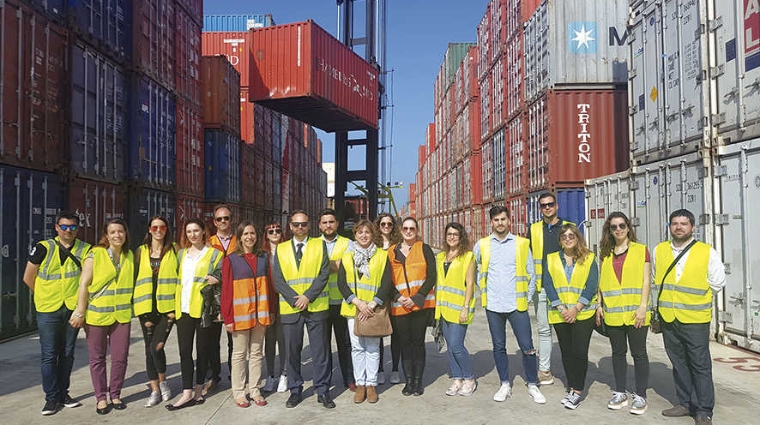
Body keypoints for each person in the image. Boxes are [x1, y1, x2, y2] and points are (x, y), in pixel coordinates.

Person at [656, 209, 725, 425]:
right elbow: (658, 279)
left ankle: (704, 410)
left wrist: (696, 300)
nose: (679, 227)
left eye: (683, 223)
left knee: (700, 365)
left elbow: (717, 282)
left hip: (695, 319)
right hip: (669, 317)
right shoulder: (660, 250)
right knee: (679, 363)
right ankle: (685, 403)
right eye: (674, 223)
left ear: (692, 227)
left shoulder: (707, 251)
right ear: (670, 226)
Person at [474, 206, 545, 404]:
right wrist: (482, 287)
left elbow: (531, 273)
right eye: (496, 220)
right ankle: (504, 383)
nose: (500, 223)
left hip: (517, 305)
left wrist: (527, 297)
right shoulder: (482, 245)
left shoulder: (522, 244)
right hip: (494, 305)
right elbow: (472, 267)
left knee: (527, 347)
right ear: (491, 222)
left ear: (509, 221)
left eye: (503, 219)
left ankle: (532, 384)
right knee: (499, 347)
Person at [23, 212, 91, 415]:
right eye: (64, 226)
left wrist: (80, 309)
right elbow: (28, 277)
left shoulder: (85, 249)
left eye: (72, 227)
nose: (68, 230)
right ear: (56, 228)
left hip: (72, 309)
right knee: (49, 355)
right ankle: (51, 399)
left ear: (77, 229)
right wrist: (45, 295)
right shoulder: (44, 248)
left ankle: (63, 394)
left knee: (67, 353)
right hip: (48, 310)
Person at [69, 218, 135, 415]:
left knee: (120, 357)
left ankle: (115, 394)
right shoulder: (95, 254)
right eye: (113, 232)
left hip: (121, 316)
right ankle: (101, 398)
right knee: (97, 358)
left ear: (126, 234)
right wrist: (80, 311)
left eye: (120, 231)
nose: (117, 235)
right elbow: (84, 284)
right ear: (106, 236)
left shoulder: (129, 255)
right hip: (97, 316)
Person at [272, 210, 333, 409]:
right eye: (296, 224)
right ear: (290, 226)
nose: (300, 228)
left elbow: (324, 273)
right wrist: (294, 299)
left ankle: (322, 390)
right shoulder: (280, 249)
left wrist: (308, 296)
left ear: (309, 226)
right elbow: (278, 279)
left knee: (320, 351)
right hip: (291, 308)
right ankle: (295, 390)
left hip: (315, 306)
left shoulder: (319, 244)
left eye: (304, 224)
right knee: (291, 352)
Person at [595, 212, 651, 414]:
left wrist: (643, 307)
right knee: (618, 353)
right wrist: (599, 304)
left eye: (621, 226)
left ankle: (640, 395)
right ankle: (620, 392)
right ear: (609, 230)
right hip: (614, 314)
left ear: (628, 227)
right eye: (613, 227)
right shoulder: (605, 253)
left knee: (639, 354)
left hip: (637, 313)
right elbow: (602, 280)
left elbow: (646, 280)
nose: (618, 230)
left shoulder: (640, 250)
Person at [166, 219, 223, 411]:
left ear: (203, 232)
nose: (193, 235)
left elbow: (225, 275)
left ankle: (198, 390)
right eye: (189, 231)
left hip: (204, 310)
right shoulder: (181, 254)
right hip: (183, 309)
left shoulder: (215, 254)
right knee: (184, 351)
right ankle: (187, 392)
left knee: (203, 351)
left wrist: (218, 278)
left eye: (196, 231)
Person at [543, 223, 599, 410]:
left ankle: (577, 390)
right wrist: (561, 308)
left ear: (578, 238)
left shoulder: (589, 257)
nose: (568, 239)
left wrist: (575, 308)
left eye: (571, 236)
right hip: (560, 313)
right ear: (560, 240)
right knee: (566, 352)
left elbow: (591, 285)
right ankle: (572, 385)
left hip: (583, 313)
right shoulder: (551, 259)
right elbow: (548, 284)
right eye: (564, 236)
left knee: (580, 352)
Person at [337, 220, 393, 404]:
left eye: (367, 232)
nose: (363, 235)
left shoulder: (381, 256)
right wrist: (358, 303)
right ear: (355, 235)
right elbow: (342, 284)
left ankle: (371, 385)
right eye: (360, 232)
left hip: (373, 310)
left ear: (372, 234)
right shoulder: (347, 257)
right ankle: (360, 384)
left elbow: (386, 283)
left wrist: (371, 305)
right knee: (357, 347)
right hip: (354, 309)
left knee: (373, 347)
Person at [221, 222, 272, 408]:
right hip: (240, 315)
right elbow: (226, 291)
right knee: (240, 354)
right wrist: (228, 317)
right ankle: (240, 392)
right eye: (246, 234)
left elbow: (270, 285)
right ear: (240, 237)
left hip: (261, 314)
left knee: (257, 353)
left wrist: (271, 310)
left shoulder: (264, 257)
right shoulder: (231, 259)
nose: (249, 237)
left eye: (252, 233)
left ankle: (255, 390)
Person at [528, 192, 574, 385]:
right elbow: (528, 258)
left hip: (565, 287)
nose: (547, 208)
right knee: (544, 330)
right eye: (543, 205)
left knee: (567, 331)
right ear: (540, 209)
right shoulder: (534, 229)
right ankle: (545, 371)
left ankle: (573, 372)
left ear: (557, 207)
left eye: (550, 204)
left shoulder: (567, 228)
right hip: (542, 287)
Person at [387, 217, 436, 396]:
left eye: (412, 229)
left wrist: (417, 297)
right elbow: (387, 280)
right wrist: (398, 297)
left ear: (417, 231)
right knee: (405, 344)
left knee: (418, 343)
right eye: (406, 228)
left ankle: (418, 382)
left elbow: (432, 276)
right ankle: (408, 382)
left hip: (420, 306)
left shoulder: (424, 249)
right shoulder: (391, 252)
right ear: (401, 231)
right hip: (400, 306)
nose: (408, 231)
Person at [133, 216, 179, 407]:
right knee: (148, 350)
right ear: (149, 230)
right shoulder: (140, 252)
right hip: (145, 308)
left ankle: (164, 383)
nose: (158, 230)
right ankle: (154, 391)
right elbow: (133, 276)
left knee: (156, 347)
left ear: (166, 229)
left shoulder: (175, 250)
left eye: (162, 227)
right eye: (155, 227)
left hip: (167, 308)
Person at [436, 222, 477, 396]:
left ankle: (469, 378)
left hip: (460, 308)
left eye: (455, 234)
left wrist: (465, 307)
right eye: (449, 234)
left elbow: (469, 284)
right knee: (450, 347)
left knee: (456, 345)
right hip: (444, 309)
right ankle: (457, 378)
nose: (452, 237)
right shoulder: (440, 257)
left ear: (461, 237)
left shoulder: (468, 257)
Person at [319, 209, 355, 391]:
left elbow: (345, 268)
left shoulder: (348, 243)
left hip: (341, 302)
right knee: (323, 346)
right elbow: (315, 269)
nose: (328, 225)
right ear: (319, 225)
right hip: (320, 303)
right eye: (324, 222)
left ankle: (349, 378)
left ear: (337, 224)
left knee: (345, 343)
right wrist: (334, 264)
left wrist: (324, 265)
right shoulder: (313, 245)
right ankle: (323, 381)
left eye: (331, 222)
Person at [208, 204, 237, 392]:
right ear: (214, 222)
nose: (223, 222)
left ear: (231, 220)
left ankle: (235, 375)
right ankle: (214, 376)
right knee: (212, 340)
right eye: (219, 219)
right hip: (212, 298)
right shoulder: (208, 242)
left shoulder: (239, 241)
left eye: (226, 218)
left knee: (234, 340)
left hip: (234, 296)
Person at [374, 213, 403, 384]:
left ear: (393, 226)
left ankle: (394, 369)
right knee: (377, 334)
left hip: (395, 294)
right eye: (383, 224)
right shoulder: (373, 245)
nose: (386, 227)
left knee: (396, 333)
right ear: (378, 226)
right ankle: (379, 369)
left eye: (389, 224)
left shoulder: (398, 246)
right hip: (378, 293)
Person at [261, 222, 288, 393]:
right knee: (269, 340)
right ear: (266, 235)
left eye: (278, 230)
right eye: (270, 231)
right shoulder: (262, 255)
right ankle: (271, 375)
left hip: (285, 300)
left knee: (284, 339)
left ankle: (284, 374)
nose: (274, 233)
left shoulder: (287, 251)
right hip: (268, 300)